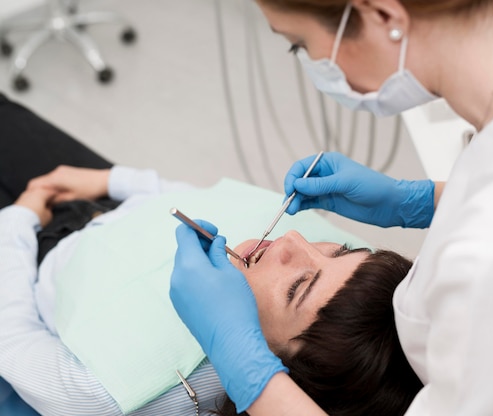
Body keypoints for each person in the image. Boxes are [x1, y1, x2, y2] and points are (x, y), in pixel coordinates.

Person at [169, 0, 493, 415]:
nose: (292, 238)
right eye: (342, 249)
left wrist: (246, 368)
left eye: (300, 44)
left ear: (383, 16)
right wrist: (421, 201)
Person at [0, 94, 421, 415]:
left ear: (280, 368)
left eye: (298, 287)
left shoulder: (112, 392)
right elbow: (213, 201)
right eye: (341, 250)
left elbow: (13, 338)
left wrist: (19, 220)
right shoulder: (315, 262)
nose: (295, 240)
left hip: (22, 261)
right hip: (109, 203)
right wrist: (118, 181)